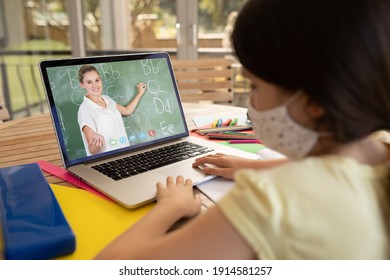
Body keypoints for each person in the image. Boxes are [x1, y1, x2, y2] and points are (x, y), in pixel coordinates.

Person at [95, 0, 390, 259]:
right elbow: (336, 169)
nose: (250, 99)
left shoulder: (273, 199)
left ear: (313, 100)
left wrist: (170, 207)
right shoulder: (381, 149)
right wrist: (251, 166)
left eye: (254, 85)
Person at [77, 64, 147, 155]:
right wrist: (98, 142)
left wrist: (140, 93)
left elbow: (127, 111)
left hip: (125, 154)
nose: (95, 85)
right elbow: (92, 150)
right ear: (82, 85)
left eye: (97, 80)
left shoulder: (107, 99)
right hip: (107, 161)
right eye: (89, 82)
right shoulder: (85, 110)